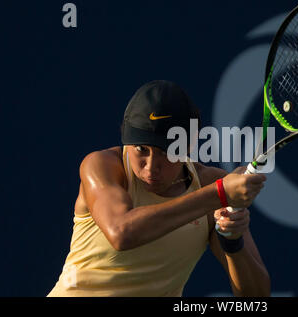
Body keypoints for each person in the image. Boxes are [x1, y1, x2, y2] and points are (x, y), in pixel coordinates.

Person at [48, 80, 270, 297]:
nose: (151, 167)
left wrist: (232, 240)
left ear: (189, 147)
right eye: (141, 149)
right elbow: (121, 232)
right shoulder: (102, 166)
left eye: (166, 152)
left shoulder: (208, 184)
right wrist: (218, 194)